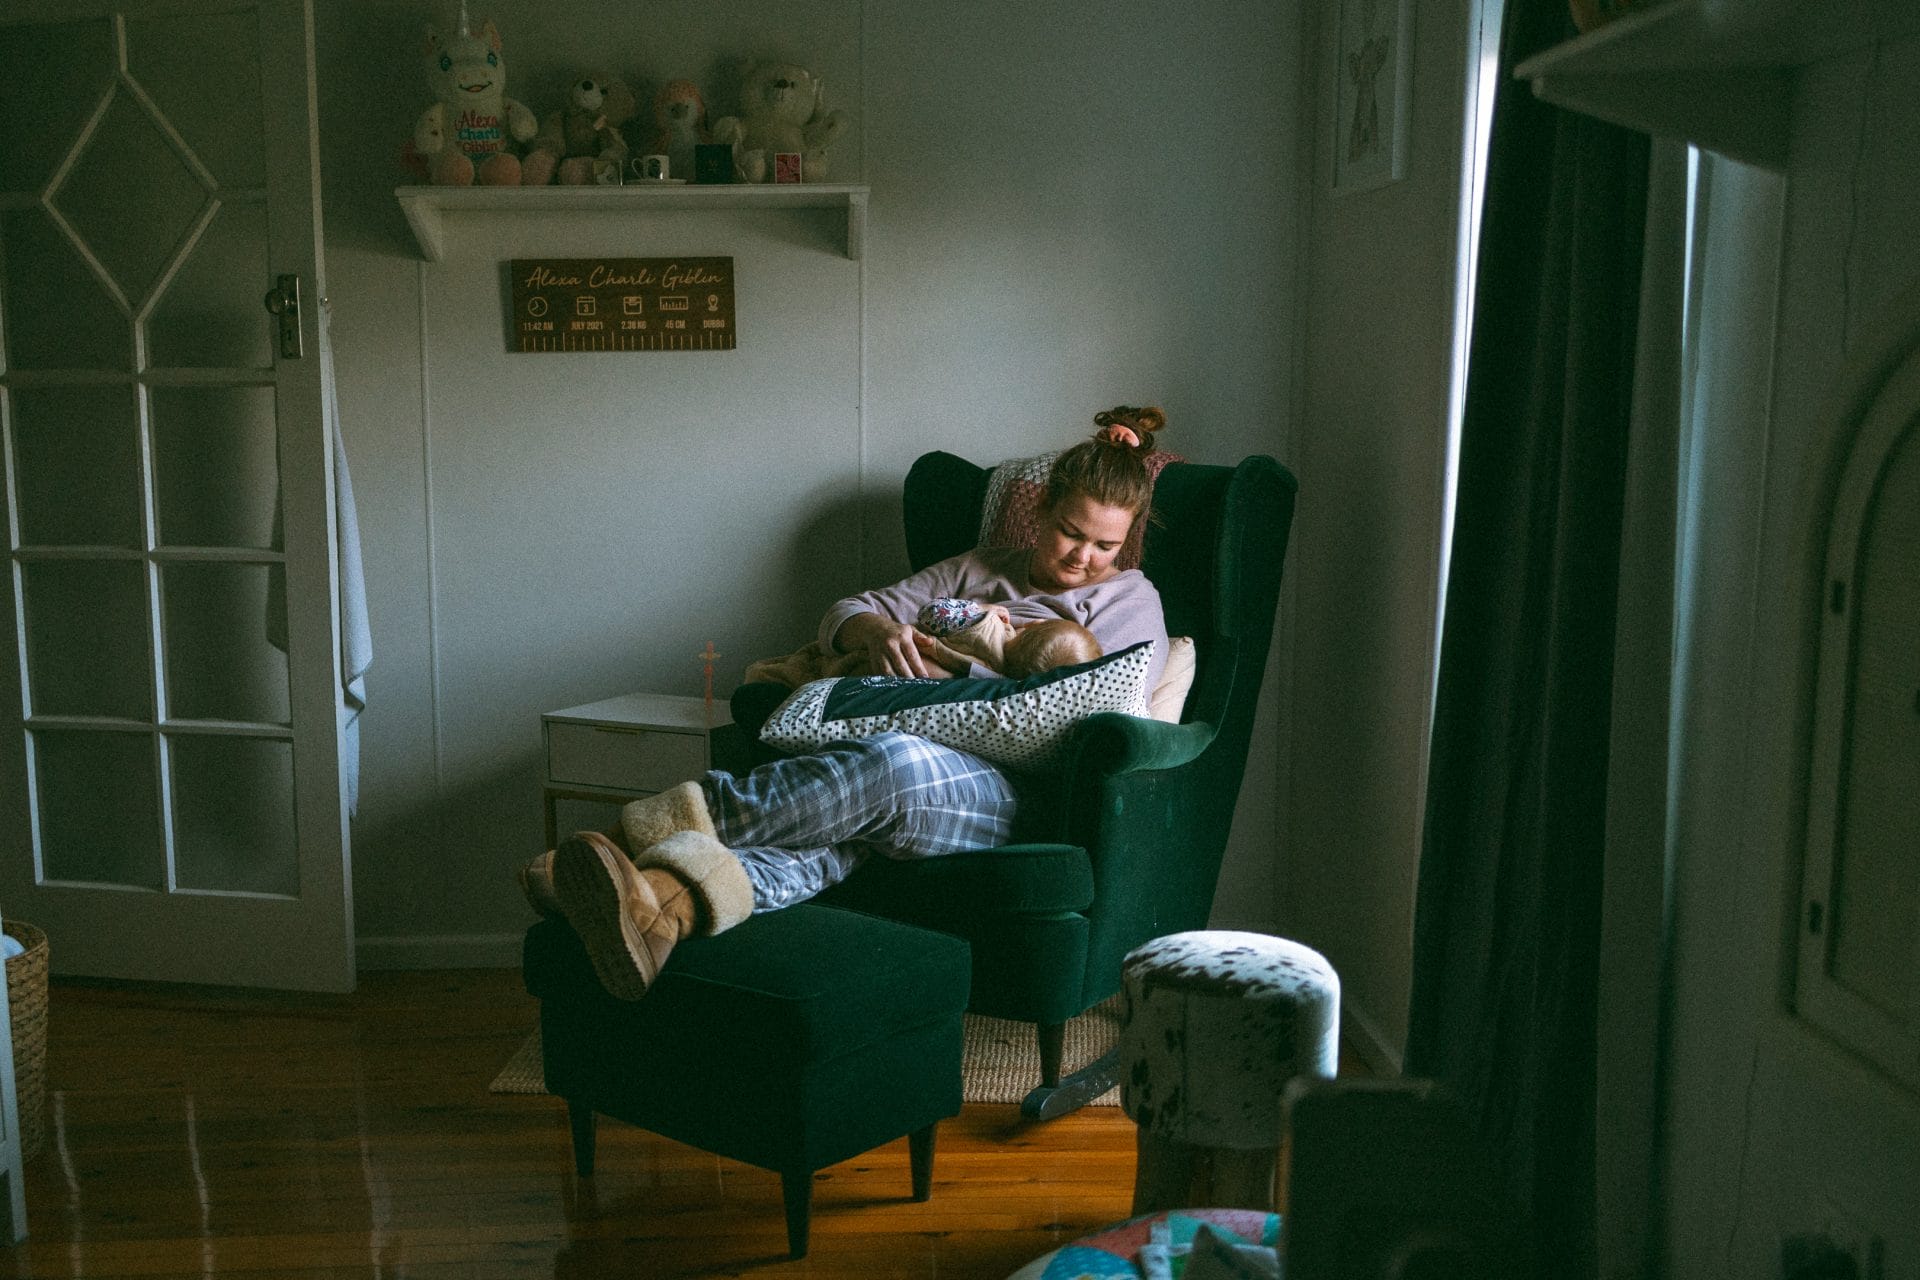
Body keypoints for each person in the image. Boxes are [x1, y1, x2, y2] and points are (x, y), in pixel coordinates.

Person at [521, 406, 1173, 1001]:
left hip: (1008, 791)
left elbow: (1093, 708)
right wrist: (880, 633)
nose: (1083, 557)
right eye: (1068, 533)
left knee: (894, 766)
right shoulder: (973, 571)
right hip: (898, 758)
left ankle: (622, 842)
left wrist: (961, 671)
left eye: (1104, 545)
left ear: (1127, 541)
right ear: (1043, 512)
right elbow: (849, 610)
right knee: (839, 835)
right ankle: (656, 911)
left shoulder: (1129, 603)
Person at [914, 598, 1103, 678]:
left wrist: (980, 609)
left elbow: (929, 612)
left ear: (1032, 624)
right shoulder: (995, 677)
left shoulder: (984, 625)